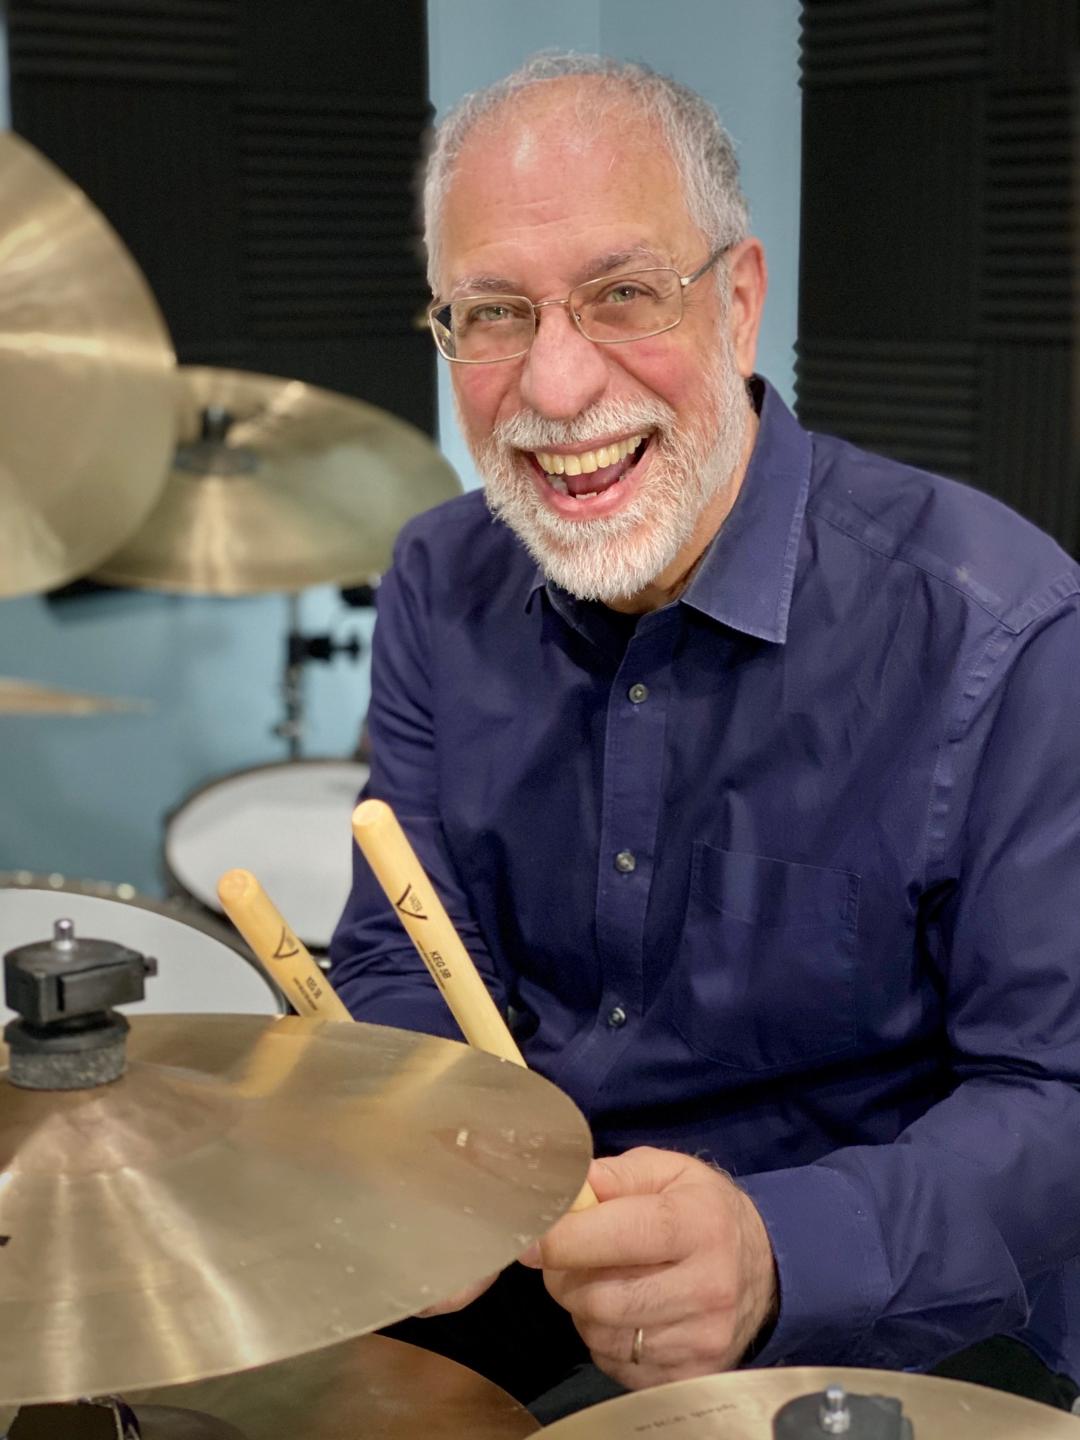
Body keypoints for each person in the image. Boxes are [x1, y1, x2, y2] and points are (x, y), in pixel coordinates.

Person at [329, 52, 1080, 1419]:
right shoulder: (439, 577)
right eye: (493, 312)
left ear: (738, 303)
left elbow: (1055, 1092)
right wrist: (432, 1139)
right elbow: (400, 939)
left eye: (623, 293)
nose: (558, 387)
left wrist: (776, 1249)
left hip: (884, 1319)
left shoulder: (1000, 626)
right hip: (521, 1271)